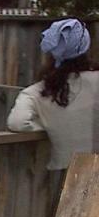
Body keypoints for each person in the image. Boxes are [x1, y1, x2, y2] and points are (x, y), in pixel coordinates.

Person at [7, 17, 98, 173]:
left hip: (69, 175)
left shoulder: (36, 92)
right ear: (85, 47)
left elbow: (17, 123)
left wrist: (46, 124)